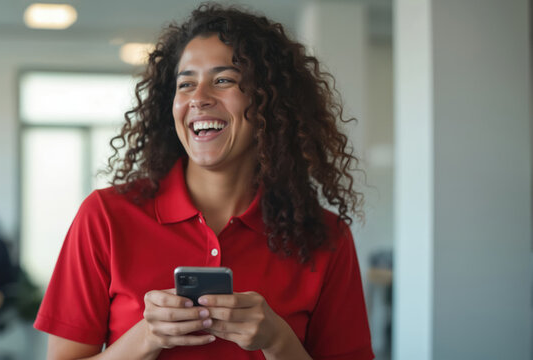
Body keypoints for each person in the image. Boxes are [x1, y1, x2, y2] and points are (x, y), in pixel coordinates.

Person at [34, 3, 372, 360]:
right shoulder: (104, 216)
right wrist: (146, 337)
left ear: (270, 102)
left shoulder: (325, 237)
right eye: (186, 84)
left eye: (223, 80)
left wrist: (278, 341)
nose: (198, 98)